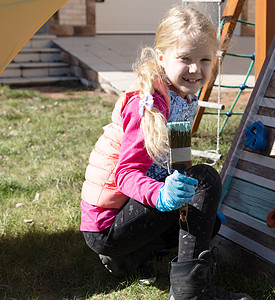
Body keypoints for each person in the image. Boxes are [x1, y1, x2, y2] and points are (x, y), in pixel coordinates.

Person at [79, 6, 252, 300]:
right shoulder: (148, 104)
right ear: (161, 57)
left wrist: (198, 201)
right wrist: (163, 195)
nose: (195, 69)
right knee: (206, 178)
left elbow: (178, 159)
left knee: (208, 219)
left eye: (204, 60)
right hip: (107, 225)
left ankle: (128, 259)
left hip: (131, 212)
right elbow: (125, 175)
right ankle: (190, 293)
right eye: (185, 58)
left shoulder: (183, 97)